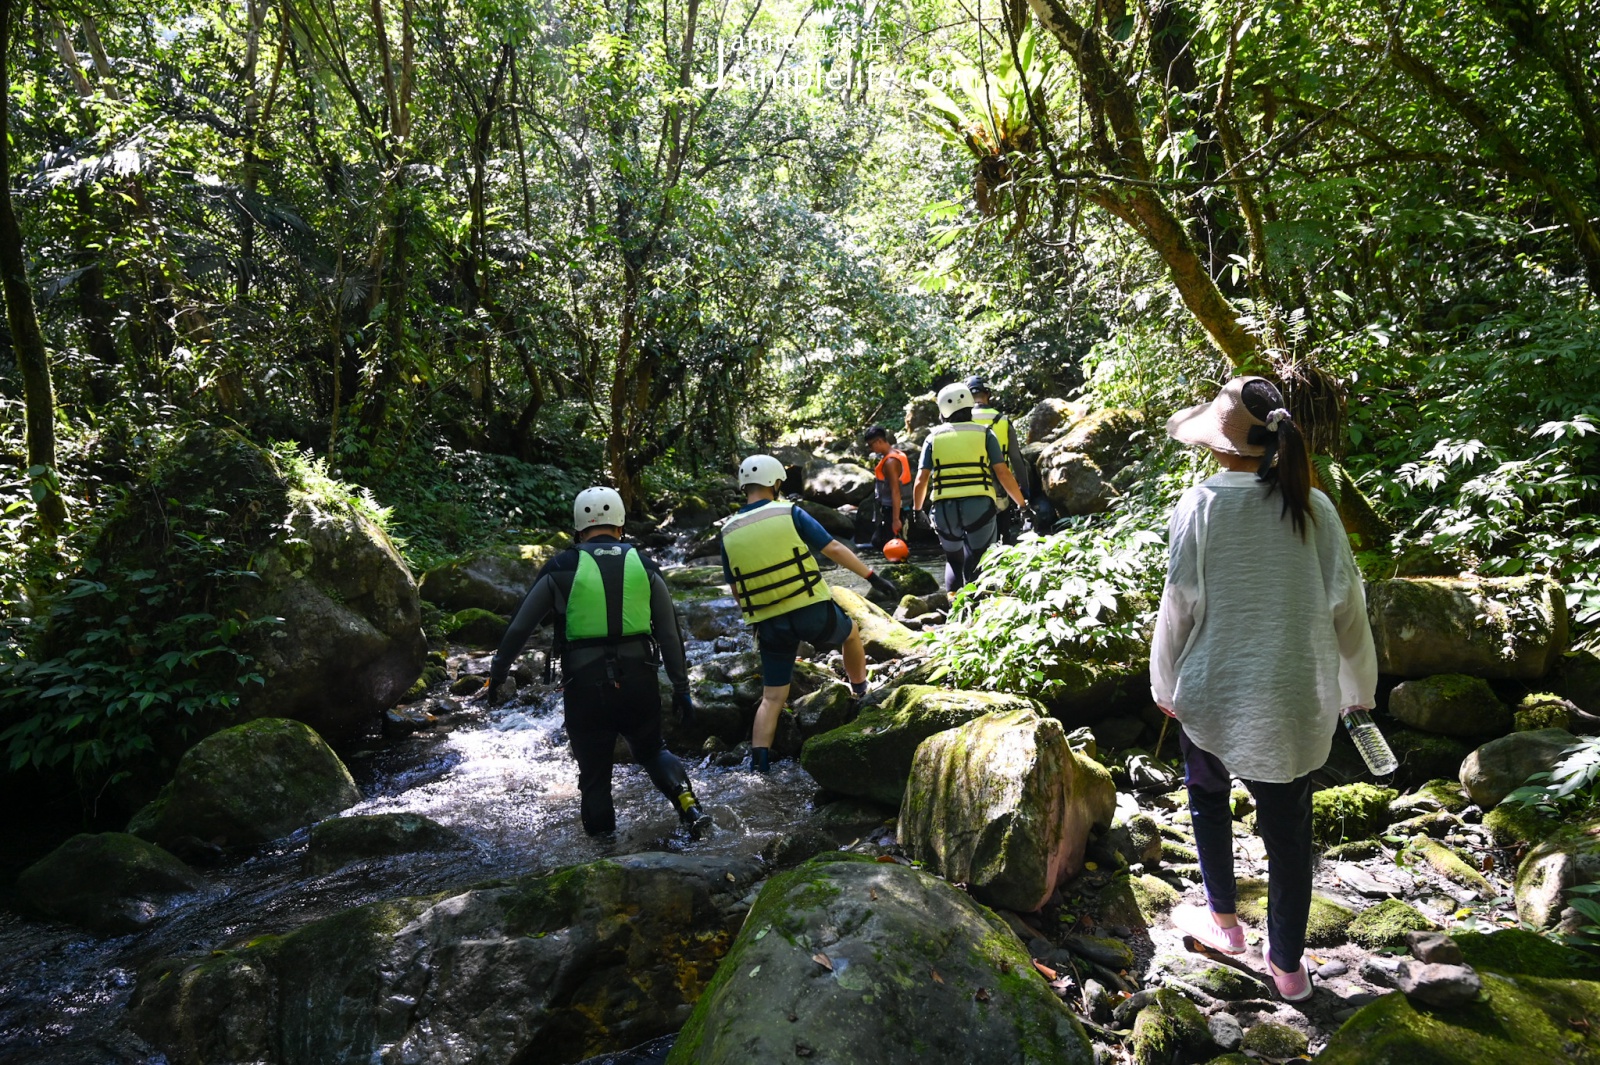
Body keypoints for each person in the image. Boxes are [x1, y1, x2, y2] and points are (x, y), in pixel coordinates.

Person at [1150, 377, 1377, 1003]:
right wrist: (1357, 686)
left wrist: (1164, 681)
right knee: (1288, 837)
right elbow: (1347, 606)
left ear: (1220, 446)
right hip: (1293, 698)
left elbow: (1180, 606)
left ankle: (1226, 926)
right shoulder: (1316, 507)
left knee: (1207, 800)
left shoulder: (1200, 505)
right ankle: (1288, 968)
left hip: (1213, 691)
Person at [487, 486, 711, 838]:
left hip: (585, 686)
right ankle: (689, 805)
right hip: (639, 681)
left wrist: (498, 675)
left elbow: (518, 628)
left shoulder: (561, 567)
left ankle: (604, 859)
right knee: (653, 750)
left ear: (579, 526)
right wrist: (681, 689)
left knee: (595, 776)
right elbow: (670, 635)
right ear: (620, 523)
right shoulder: (647, 566)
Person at [720, 454, 899, 772]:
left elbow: (736, 587)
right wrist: (872, 576)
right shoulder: (789, 511)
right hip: (810, 608)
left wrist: (755, 617)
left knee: (772, 699)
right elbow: (833, 548)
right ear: (776, 483)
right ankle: (860, 691)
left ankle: (759, 768)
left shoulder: (729, 530)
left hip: (769, 622)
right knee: (851, 634)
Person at [913, 382, 1025, 592]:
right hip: (979, 505)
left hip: (945, 509)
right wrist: (1022, 503)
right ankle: (979, 609)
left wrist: (917, 510)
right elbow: (1003, 473)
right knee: (981, 559)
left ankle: (953, 609)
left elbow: (922, 479)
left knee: (954, 561)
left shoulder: (933, 437)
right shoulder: (984, 433)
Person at [967, 375, 1026, 542]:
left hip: (971, 486)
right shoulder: (1003, 421)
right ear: (988, 394)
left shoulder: (960, 422)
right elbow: (1016, 458)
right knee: (1003, 538)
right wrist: (1024, 490)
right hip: (1001, 487)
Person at [863, 425, 912, 551]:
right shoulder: (897, 454)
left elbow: (896, 491)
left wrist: (895, 520)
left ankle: (901, 568)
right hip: (899, 509)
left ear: (879, 441)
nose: (870, 449)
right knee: (888, 544)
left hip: (894, 511)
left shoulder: (890, 462)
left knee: (887, 544)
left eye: (870, 445)